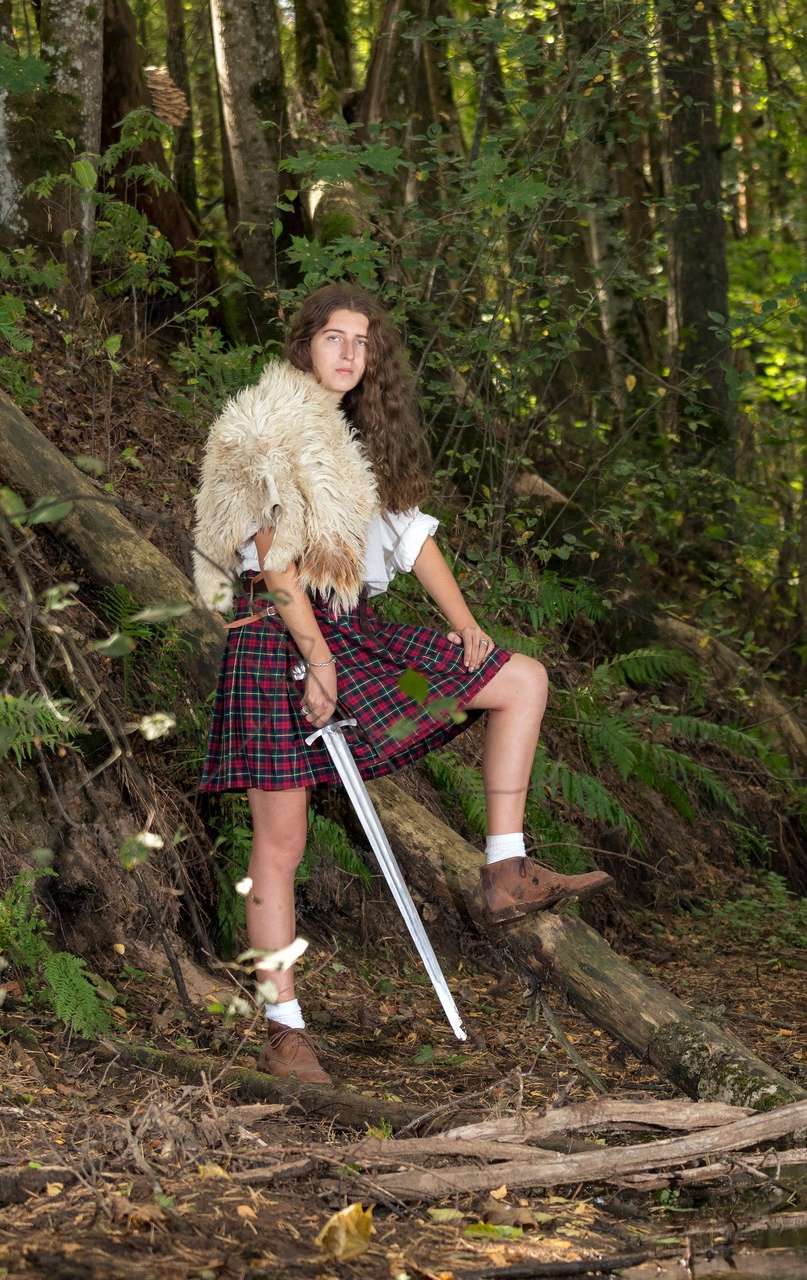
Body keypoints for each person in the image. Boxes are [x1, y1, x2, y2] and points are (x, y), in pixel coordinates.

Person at [191, 283, 611, 1084]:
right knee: (282, 843)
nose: (350, 353)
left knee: (519, 679)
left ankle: (506, 869)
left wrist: (465, 623)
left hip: (347, 627)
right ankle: (284, 1031)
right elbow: (274, 564)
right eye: (334, 338)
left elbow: (410, 537)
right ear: (304, 344)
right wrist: (317, 660)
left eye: (363, 341)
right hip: (277, 634)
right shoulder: (266, 430)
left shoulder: (353, 437)